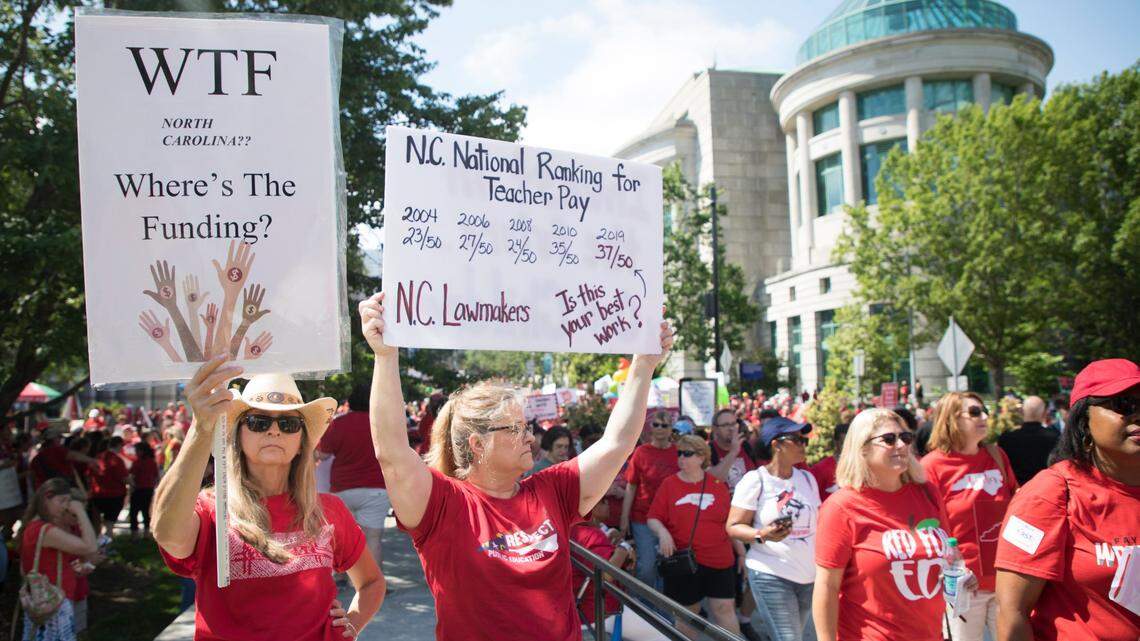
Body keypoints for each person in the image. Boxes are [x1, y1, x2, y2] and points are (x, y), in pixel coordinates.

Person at [358, 292, 672, 641]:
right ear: (477, 444)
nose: (531, 438)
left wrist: (643, 365)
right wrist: (385, 357)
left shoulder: (552, 489)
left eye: (528, 427)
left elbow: (617, 444)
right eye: (516, 428)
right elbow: (392, 454)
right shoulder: (442, 504)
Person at [152, 357, 386, 640]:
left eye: (288, 423)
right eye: (258, 421)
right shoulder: (211, 509)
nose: (274, 430)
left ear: (302, 441)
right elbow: (166, 532)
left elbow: (372, 582)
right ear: (238, 434)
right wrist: (202, 428)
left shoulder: (329, 510)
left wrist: (352, 624)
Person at [995, 358, 1140, 641]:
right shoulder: (1051, 493)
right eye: (1124, 405)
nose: (1138, 415)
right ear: (1083, 420)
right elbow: (1013, 614)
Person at [813, 408, 951, 641]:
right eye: (888, 439)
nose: (900, 445)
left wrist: (959, 572)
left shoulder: (928, 493)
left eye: (905, 438)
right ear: (862, 448)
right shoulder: (842, 507)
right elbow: (827, 587)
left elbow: (948, 552)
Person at [922, 392, 1018, 641]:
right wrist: (954, 569)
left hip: (1005, 580)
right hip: (964, 586)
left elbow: (1016, 508)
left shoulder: (997, 455)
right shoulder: (932, 466)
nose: (984, 416)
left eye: (984, 410)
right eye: (974, 412)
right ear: (951, 419)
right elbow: (929, 527)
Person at [728, 416, 819, 641]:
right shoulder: (755, 480)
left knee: (792, 636)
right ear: (776, 445)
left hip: (808, 576)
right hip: (770, 573)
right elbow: (733, 526)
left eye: (803, 439)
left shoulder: (807, 478)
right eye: (796, 439)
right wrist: (761, 534)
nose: (803, 444)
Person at [647, 435, 742, 639]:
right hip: (685, 563)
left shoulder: (717, 485)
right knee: (688, 616)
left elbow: (729, 522)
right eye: (679, 453)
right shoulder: (669, 485)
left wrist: (741, 552)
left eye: (687, 454)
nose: (681, 458)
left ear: (701, 457)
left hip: (719, 559)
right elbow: (653, 518)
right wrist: (663, 533)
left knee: (724, 609)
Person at [317, 383, 389, 569]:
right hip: (376, 488)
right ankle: (375, 582)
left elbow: (323, 454)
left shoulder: (338, 424)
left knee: (342, 535)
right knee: (372, 538)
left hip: (342, 488)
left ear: (351, 401)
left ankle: (340, 576)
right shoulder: (382, 425)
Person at [18, 477, 98, 641]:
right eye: (62, 501)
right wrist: (81, 512)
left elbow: (25, 568)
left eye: (68, 502)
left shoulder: (38, 526)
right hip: (53, 604)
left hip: (48, 601)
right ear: (47, 497)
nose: (66, 507)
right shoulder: (44, 530)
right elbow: (90, 547)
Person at [620, 409, 679, 591]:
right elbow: (631, 486)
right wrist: (624, 518)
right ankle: (642, 608)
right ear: (650, 427)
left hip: (670, 520)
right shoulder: (641, 452)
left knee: (668, 566)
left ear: (671, 429)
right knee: (646, 567)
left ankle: (662, 613)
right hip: (642, 517)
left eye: (664, 425)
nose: (660, 429)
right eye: (656, 424)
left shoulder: (680, 453)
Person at [996, 395, 1059, 486]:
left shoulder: (1006, 439)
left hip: (1017, 492)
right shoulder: (1055, 437)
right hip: (1046, 489)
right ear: (1044, 413)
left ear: (1021, 412)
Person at [88, 436, 131, 540]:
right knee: (109, 525)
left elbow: (89, 476)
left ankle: (97, 545)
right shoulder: (116, 460)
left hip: (97, 495)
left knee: (96, 524)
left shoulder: (97, 458)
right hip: (114, 495)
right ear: (119, 445)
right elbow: (124, 478)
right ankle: (106, 548)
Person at [709, 409, 755, 491]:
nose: (731, 429)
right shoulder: (708, 450)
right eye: (725, 425)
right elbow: (713, 480)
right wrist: (733, 452)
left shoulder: (746, 447)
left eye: (733, 424)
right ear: (715, 429)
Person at [809, 423, 847, 502]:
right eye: (844, 443)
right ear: (836, 443)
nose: (848, 447)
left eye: (851, 444)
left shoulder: (862, 467)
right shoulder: (821, 469)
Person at [128, 440, 158, 538]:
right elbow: (156, 476)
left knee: (134, 512)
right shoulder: (152, 462)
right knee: (146, 512)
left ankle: (134, 535)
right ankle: (146, 533)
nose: (135, 452)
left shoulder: (137, 462)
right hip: (148, 490)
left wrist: (131, 487)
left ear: (142, 451)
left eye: (137, 450)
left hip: (138, 490)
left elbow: (132, 476)